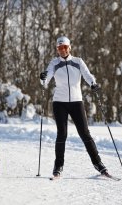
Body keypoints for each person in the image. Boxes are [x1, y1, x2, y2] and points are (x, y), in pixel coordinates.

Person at [40, 36, 108, 178]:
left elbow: (87, 75)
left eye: (65, 47)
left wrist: (93, 84)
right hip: (59, 102)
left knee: (85, 133)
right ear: (57, 49)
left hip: (77, 102)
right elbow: (46, 79)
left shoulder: (78, 62)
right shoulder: (54, 62)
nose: (62, 50)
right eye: (59, 48)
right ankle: (58, 166)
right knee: (62, 134)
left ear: (69, 47)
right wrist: (43, 78)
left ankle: (98, 164)